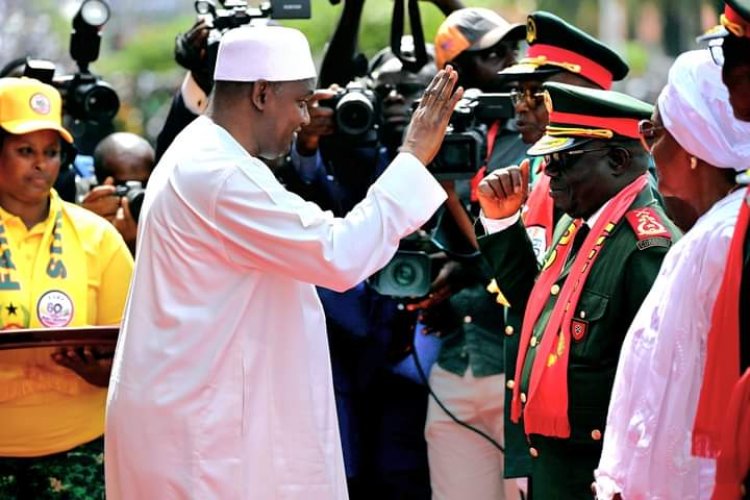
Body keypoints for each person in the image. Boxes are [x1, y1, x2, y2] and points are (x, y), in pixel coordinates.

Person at [104, 26, 462, 499]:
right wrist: (414, 154)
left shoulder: (208, 153)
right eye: (299, 102)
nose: (304, 118)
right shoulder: (219, 172)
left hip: (210, 420)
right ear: (260, 93)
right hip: (206, 438)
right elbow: (339, 254)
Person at [476, 82, 678, 499]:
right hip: (555, 466)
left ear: (619, 160)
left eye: (563, 161)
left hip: (599, 474)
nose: (548, 173)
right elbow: (538, 309)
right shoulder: (580, 224)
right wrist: (501, 224)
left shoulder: (645, 247)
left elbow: (659, 389)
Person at [592, 49, 750, 500]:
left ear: (693, 148)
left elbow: (684, 395)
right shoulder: (709, 234)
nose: (649, 152)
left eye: (654, 134)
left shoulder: (722, 240)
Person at [487, 12, 631, 490]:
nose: (521, 108)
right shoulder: (538, 183)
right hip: (542, 430)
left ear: (584, 98)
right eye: (518, 93)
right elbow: (535, 306)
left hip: (588, 442)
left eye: (539, 93)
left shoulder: (600, 190)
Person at [0, 77, 133, 498]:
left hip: (81, 462)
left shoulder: (99, 238)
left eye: (51, 152)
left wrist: (106, 371)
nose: (41, 164)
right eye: (25, 151)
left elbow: (138, 349)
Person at [81, 132, 155, 253]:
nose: (136, 197)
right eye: (124, 188)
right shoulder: (81, 221)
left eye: (144, 186)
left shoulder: (166, 218)